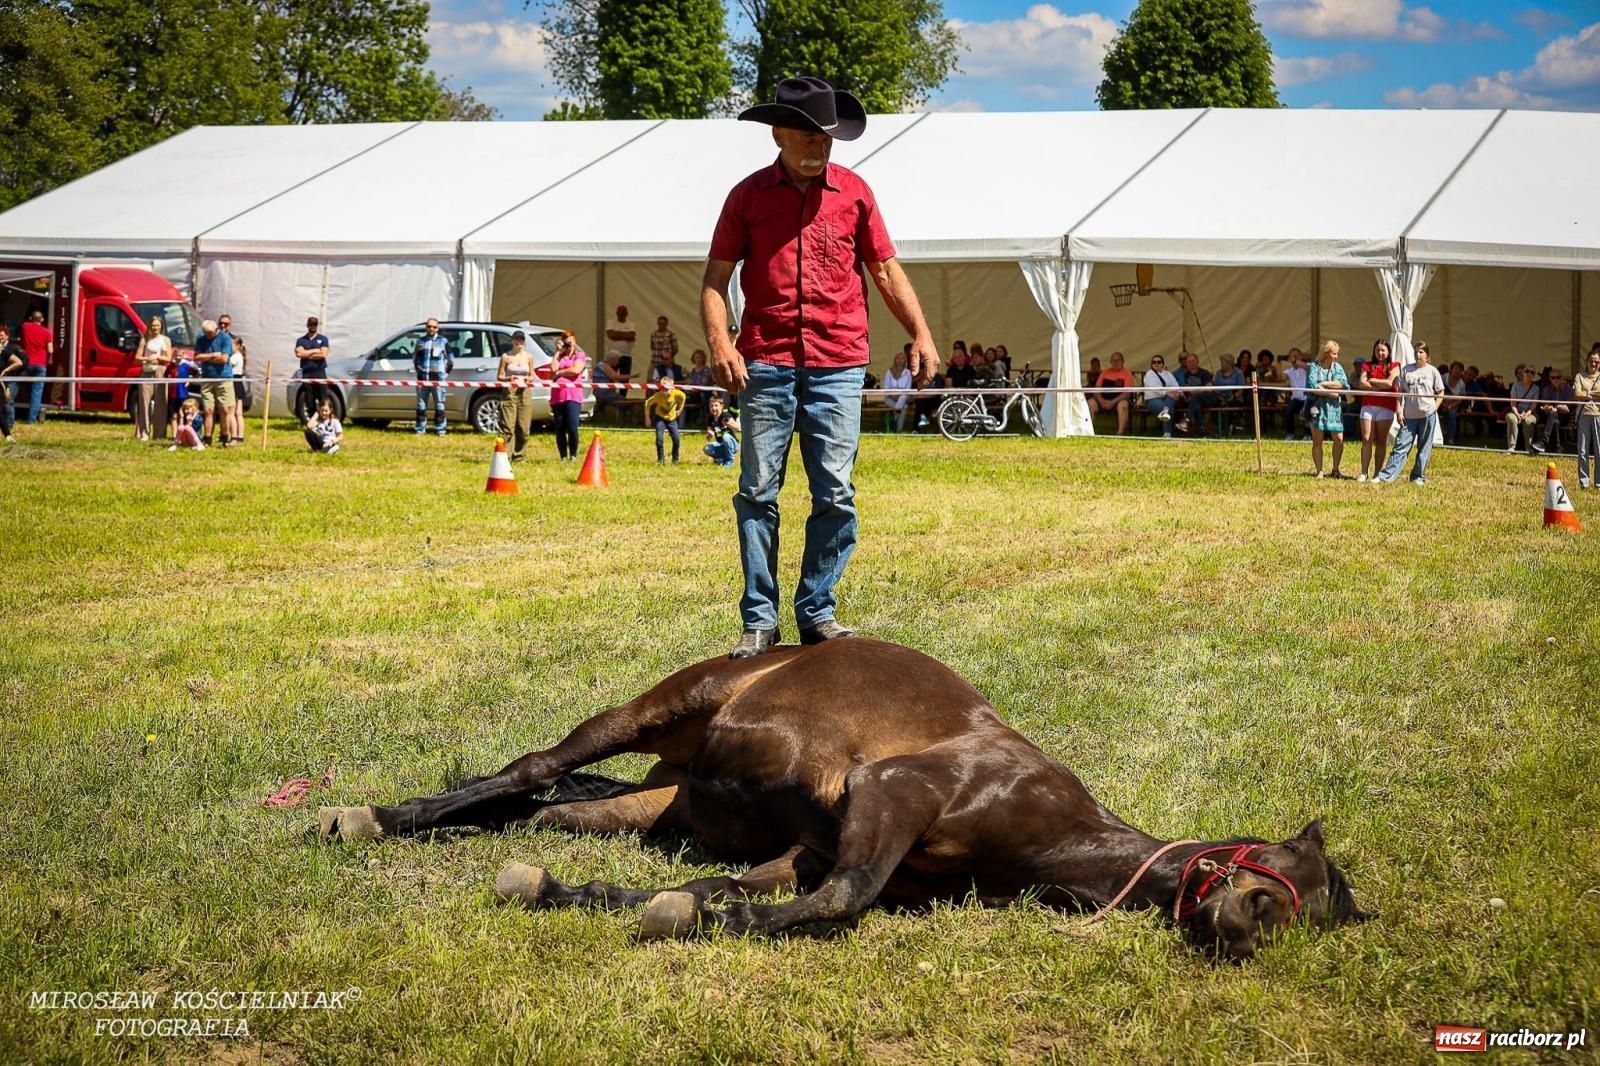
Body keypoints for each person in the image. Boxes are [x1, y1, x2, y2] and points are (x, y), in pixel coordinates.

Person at [700, 76, 938, 658]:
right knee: (757, 490)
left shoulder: (855, 193)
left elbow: (884, 272)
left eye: (827, 137)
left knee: (835, 493)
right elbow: (715, 278)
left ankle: (817, 611)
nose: (820, 145)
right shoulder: (747, 197)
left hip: (838, 363)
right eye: (808, 134)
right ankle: (759, 619)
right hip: (766, 360)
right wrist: (720, 342)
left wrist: (921, 332)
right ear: (778, 133)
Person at [1375, 340, 1445, 484]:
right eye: (1416, 351)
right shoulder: (1406, 370)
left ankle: (1417, 477)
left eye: (1421, 352)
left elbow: (1440, 392)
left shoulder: (1433, 371)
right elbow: (1399, 392)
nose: (1417, 354)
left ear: (1427, 355)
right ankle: (1386, 476)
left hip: (1427, 415)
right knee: (1400, 446)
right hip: (1409, 417)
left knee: (1424, 447)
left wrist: (1435, 408)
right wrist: (1399, 410)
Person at [1356, 340, 1399, 481]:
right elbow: (1361, 384)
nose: (1380, 353)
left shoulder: (1394, 366)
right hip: (1368, 405)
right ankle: (1364, 472)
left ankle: (1377, 473)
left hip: (1386, 407)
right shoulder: (1367, 365)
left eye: (1383, 350)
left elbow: (1390, 382)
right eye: (1377, 350)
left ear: (1388, 352)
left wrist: (1372, 380)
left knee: (1381, 441)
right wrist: (1380, 386)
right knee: (1367, 438)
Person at [1307, 340, 1349, 478]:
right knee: (1317, 440)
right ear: (1326, 354)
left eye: (1337, 354)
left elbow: (1343, 384)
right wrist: (1331, 393)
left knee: (1338, 438)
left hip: (1334, 409)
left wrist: (1323, 384)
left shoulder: (1337, 368)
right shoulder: (1314, 367)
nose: (1336, 357)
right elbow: (1312, 387)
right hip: (1316, 408)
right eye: (1334, 354)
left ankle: (1336, 469)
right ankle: (1319, 471)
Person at [193, 318, 235, 447]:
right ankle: (207, 438)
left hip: (224, 378)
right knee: (208, 410)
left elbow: (224, 359)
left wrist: (205, 357)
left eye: (211, 333)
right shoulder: (201, 338)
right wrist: (212, 355)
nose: (209, 336)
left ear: (216, 330)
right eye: (207, 333)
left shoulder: (225, 338)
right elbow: (197, 357)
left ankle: (224, 436)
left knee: (224, 409)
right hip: (207, 378)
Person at [497, 330, 536, 460]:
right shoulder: (506, 356)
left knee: (524, 428)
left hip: (524, 392)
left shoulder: (529, 357)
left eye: (521, 340)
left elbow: (532, 375)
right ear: (512, 341)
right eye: (516, 340)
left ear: (524, 342)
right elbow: (499, 376)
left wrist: (529, 379)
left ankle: (519, 456)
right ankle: (505, 456)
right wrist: (509, 378)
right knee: (508, 426)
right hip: (509, 392)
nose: (519, 342)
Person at [133, 315, 173, 441]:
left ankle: (159, 434)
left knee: (161, 403)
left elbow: (168, 358)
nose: (155, 328)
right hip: (146, 371)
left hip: (161, 371)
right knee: (144, 401)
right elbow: (137, 357)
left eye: (157, 325)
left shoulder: (166, 340)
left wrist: (159, 358)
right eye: (153, 325)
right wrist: (147, 359)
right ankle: (143, 432)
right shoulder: (145, 340)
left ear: (161, 326)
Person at [550, 331, 586, 461]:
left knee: (572, 426)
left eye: (570, 342)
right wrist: (557, 353)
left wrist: (559, 373)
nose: (568, 346)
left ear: (575, 342)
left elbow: (576, 370)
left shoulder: (579, 355)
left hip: (573, 395)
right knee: (560, 428)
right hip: (557, 396)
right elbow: (552, 369)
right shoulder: (559, 356)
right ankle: (563, 456)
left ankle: (574, 455)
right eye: (566, 343)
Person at [412, 317, 451, 435]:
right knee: (421, 404)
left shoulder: (443, 341)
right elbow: (415, 358)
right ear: (426, 327)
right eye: (429, 326)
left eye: (434, 327)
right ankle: (420, 428)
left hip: (438, 379)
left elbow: (450, 359)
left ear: (437, 328)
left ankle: (440, 429)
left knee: (439, 404)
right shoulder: (420, 341)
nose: (431, 329)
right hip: (423, 379)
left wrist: (444, 374)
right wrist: (419, 370)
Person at [1572, 344, 1600, 489]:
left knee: (1599, 451)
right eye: (1591, 361)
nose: (1594, 364)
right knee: (1582, 450)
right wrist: (1594, 394)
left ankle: (1599, 483)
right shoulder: (1579, 376)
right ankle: (1584, 482)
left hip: (1598, 416)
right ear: (1587, 361)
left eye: (1597, 362)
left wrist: (1587, 393)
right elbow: (1577, 395)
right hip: (1583, 415)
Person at [1089, 351, 1135, 435]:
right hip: (1104, 401)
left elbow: (1127, 393)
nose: (1115, 362)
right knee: (1090, 402)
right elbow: (1097, 389)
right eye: (1113, 360)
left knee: (1123, 404)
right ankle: (1090, 430)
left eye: (1118, 360)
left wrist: (1113, 401)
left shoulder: (1127, 374)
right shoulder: (1105, 372)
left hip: (1119, 400)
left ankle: (1120, 433)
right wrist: (1101, 400)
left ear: (1123, 361)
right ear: (1110, 362)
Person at [18, 308, 51, 423]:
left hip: (27, 363)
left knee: (27, 389)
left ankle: (24, 411)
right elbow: (50, 350)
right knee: (37, 392)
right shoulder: (47, 332)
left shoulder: (25, 326)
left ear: (31, 318)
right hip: (40, 364)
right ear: (42, 319)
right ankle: (31, 419)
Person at [643, 376, 685, 464]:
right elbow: (647, 403)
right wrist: (647, 417)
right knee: (659, 439)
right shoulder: (657, 396)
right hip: (660, 418)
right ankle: (661, 460)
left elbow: (683, 397)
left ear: (672, 388)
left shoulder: (677, 393)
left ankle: (675, 460)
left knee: (676, 440)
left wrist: (680, 409)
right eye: (662, 389)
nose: (664, 392)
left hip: (672, 419)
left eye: (666, 389)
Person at [295, 316, 331, 415]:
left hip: (319, 371)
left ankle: (325, 420)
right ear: (307, 325)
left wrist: (306, 354)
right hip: (307, 373)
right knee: (309, 399)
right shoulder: (301, 340)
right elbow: (299, 354)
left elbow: (323, 354)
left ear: (317, 325)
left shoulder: (323, 339)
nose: (313, 326)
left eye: (315, 324)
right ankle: (313, 421)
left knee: (323, 398)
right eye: (311, 324)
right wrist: (315, 350)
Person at [1534, 368, 1574, 455]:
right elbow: (1546, 404)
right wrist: (1547, 407)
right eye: (1553, 378)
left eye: (1558, 377)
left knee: (1554, 415)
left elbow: (1568, 406)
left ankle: (1543, 441)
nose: (1555, 379)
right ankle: (1557, 448)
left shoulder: (1568, 389)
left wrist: (1561, 407)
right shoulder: (1546, 389)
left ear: (1562, 378)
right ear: (1550, 379)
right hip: (1550, 416)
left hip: (1564, 417)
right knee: (1554, 419)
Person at [1142, 355, 1181, 439]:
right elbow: (1155, 388)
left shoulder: (1167, 373)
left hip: (1167, 398)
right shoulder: (1149, 374)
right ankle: (1167, 432)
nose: (1156, 364)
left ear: (1163, 364)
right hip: (1152, 399)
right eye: (1154, 362)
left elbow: (1175, 385)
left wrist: (1177, 392)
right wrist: (1167, 392)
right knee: (1170, 407)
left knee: (1168, 405)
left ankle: (1166, 413)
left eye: (1158, 362)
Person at [1505, 365, 1540, 454]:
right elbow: (1513, 403)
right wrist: (1517, 414)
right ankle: (1511, 447)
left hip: (1530, 412)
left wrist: (1526, 414)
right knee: (1511, 418)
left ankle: (1528, 448)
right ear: (1523, 373)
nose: (1529, 374)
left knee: (1528, 421)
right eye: (1527, 371)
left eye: (1532, 372)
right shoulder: (1515, 385)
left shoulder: (1536, 388)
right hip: (1516, 411)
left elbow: (1533, 406)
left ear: (1534, 375)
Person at [1174, 351, 1210, 434]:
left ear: (1197, 361)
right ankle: (1200, 430)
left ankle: (1187, 420)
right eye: (1189, 361)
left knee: (1196, 398)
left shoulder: (1205, 373)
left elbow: (1209, 389)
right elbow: (1186, 388)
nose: (1191, 363)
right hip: (1194, 400)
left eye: (1193, 361)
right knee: (1197, 405)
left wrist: (1195, 391)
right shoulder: (1187, 374)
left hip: (1206, 399)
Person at [703, 392, 740, 466]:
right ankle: (720, 459)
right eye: (711, 406)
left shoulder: (726, 416)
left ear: (722, 406)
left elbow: (738, 429)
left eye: (716, 405)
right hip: (720, 443)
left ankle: (729, 460)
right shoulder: (711, 419)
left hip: (733, 444)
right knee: (707, 448)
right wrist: (710, 435)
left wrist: (730, 425)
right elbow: (708, 438)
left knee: (726, 437)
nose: (714, 408)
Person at [0, 325, 23, 442]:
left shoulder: (5, 351)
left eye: (1, 336)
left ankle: (8, 435)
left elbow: (19, 362)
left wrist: (7, 370)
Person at [883, 347, 914, 432]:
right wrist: (892, 395)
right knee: (904, 407)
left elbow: (908, 388)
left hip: (903, 396)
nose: (900, 360)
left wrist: (899, 395)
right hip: (890, 397)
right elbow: (886, 387)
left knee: (903, 397)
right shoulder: (889, 372)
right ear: (895, 360)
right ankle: (898, 430)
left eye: (902, 359)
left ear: (905, 361)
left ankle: (895, 417)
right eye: (898, 358)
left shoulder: (907, 373)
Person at [227, 328, 249, 445]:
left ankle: (234, 436)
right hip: (238, 382)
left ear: (238, 346)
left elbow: (227, 364)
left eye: (231, 345)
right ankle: (240, 436)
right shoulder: (240, 356)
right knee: (238, 413)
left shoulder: (235, 356)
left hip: (234, 382)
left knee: (231, 412)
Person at [1283, 348, 1309, 440]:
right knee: (1288, 412)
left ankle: (1307, 434)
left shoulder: (1307, 367)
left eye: (1296, 355)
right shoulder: (1289, 371)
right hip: (1296, 399)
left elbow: (1308, 368)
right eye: (1292, 356)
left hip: (1307, 398)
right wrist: (1278, 363)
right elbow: (1280, 378)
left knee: (1306, 413)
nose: (1294, 358)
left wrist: (1296, 361)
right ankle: (1290, 433)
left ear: (1301, 356)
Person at [606, 305, 636, 374]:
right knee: (611, 377)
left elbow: (631, 336)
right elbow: (611, 335)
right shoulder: (611, 322)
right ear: (617, 313)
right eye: (620, 313)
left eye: (623, 313)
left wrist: (617, 333)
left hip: (626, 355)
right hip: (613, 355)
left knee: (625, 379)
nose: (621, 315)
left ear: (626, 314)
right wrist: (626, 335)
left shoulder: (631, 324)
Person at [649, 316, 679, 380]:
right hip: (655, 361)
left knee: (666, 380)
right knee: (651, 380)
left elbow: (675, 349)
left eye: (663, 323)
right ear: (657, 324)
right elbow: (652, 346)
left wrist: (668, 358)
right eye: (659, 323)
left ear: (666, 324)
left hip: (667, 363)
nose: (661, 325)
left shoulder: (671, 334)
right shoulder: (653, 334)